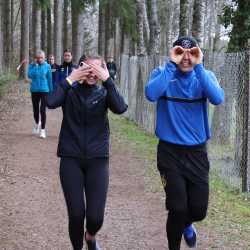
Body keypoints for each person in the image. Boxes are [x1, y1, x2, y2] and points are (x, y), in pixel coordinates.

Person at [145, 36, 224, 250]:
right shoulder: (162, 74)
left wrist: (199, 67)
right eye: (180, 52)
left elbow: (217, 98)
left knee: (198, 210)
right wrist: (172, 64)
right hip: (169, 153)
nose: (186, 58)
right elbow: (151, 94)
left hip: (196, 153)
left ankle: (188, 224)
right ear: (173, 54)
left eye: (192, 53)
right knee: (177, 208)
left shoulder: (205, 76)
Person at [46, 54, 127, 250]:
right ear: (80, 68)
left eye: (97, 70)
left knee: (95, 217)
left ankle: (90, 236)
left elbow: (121, 107)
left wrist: (108, 80)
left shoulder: (105, 92)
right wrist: (70, 78)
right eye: (88, 68)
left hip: (97, 159)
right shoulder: (69, 90)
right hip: (70, 158)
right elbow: (50, 101)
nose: (92, 73)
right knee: (76, 214)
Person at [28, 50, 53, 139]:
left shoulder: (47, 66)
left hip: (44, 90)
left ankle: (43, 130)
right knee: (35, 110)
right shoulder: (32, 65)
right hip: (34, 90)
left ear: (44, 58)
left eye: (41, 58)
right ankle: (37, 123)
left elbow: (49, 79)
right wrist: (35, 66)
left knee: (42, 110)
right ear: (36, 58)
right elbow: (30, 75)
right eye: (38, 58)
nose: (39, 59)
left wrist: (51, 91)